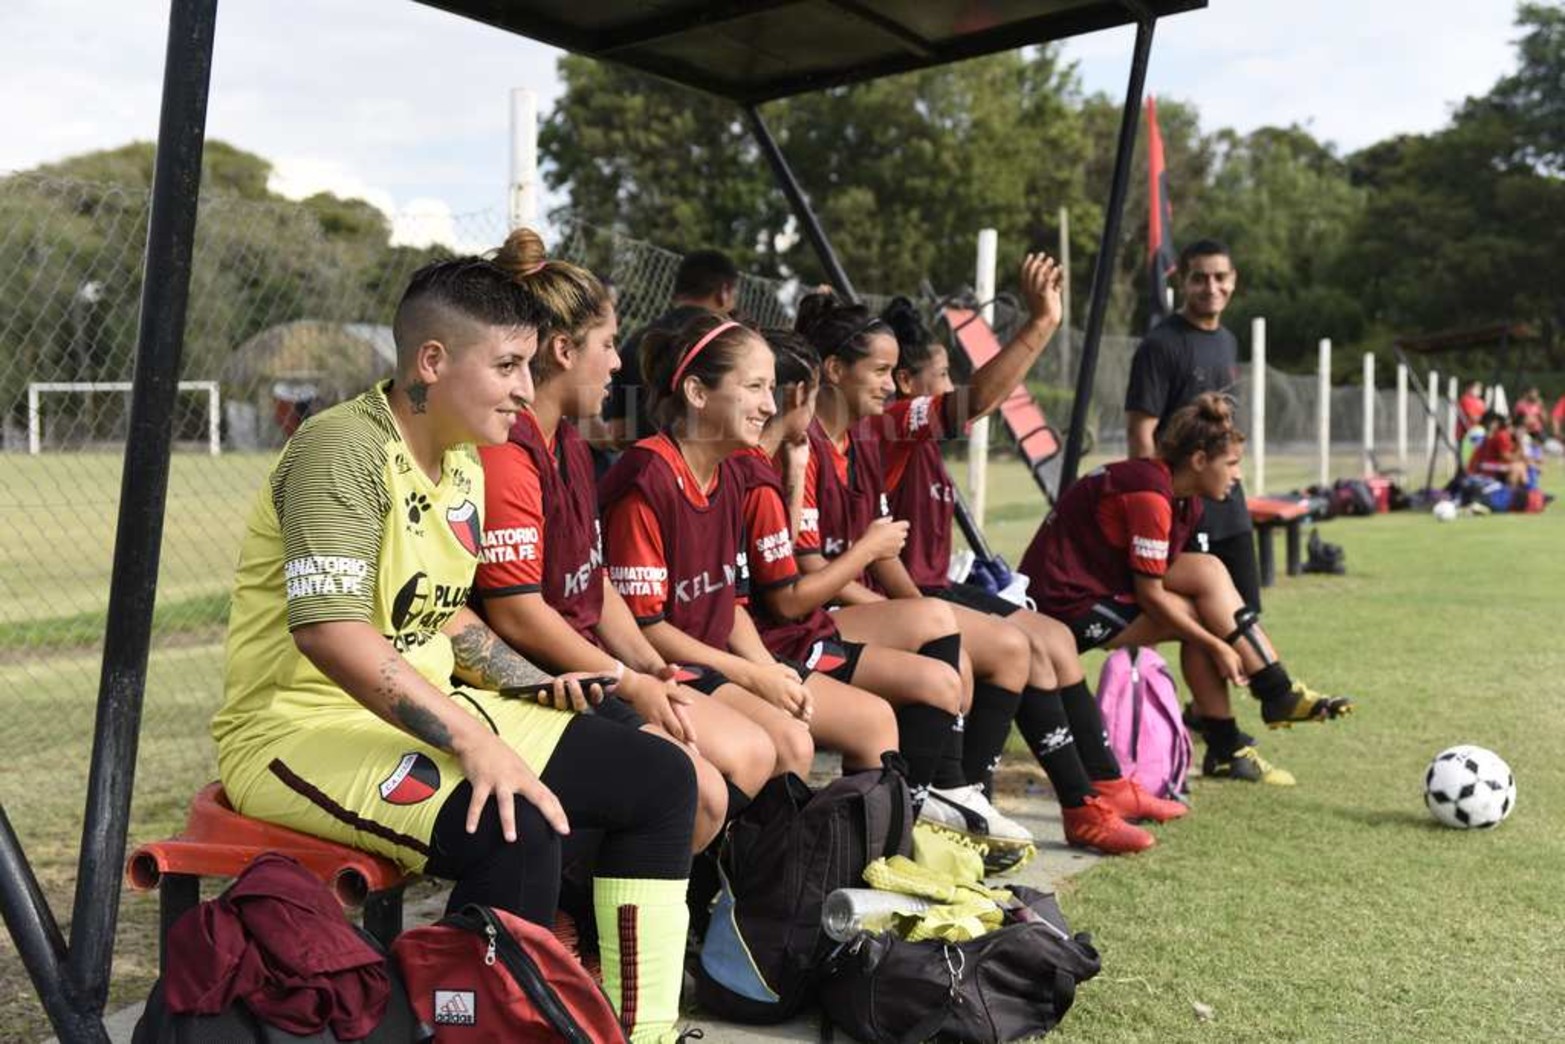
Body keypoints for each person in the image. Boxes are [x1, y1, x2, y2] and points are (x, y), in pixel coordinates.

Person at [211, 257, 697, 1043]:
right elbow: (330, 631)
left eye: (526, 365)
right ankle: (492, 1027)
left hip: (423, 708)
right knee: (514, 823)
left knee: (659, 777)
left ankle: (641, 1032)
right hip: (296, 731)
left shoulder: (464, 456)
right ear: (431, 362)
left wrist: (534, 683)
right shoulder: (342, 450)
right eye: (506, 366)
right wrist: (476, 740)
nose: (520, 387)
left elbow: (442, 616)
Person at [751, 325, 1166, 857]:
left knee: (1042, 640)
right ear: (830, 375)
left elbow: (971, 409)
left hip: (847, 601)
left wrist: (1042, 323)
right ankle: (964, 809)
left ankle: (1002, 800)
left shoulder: (872, 433)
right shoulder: (813, 449)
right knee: (997, 651)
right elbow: (796, 581)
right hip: (818, 611)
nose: (895, 389)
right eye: (883, 372)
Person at [475, 229, 779, 855]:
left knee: (753, 752)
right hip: (538, 680)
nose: (618, 363)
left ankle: (669, 916)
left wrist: (643, 662)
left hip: (588, 667)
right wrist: (625, 678)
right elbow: (515, 613)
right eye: (608, 345)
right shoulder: (510, 452)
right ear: (561, 350)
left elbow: (592, 579)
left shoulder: (570, 445)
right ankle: (582, 921)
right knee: (694, 788)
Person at [875, 259, 1185, 848]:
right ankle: (1009, 808)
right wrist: (1042, 322)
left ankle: (1099, 788)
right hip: (901, 598)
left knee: (1055, 638)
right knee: (1020, 647)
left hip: (932, 586)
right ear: (907, 386)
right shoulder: (891, 426)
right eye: (941, 375)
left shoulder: (914, 441)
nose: (948, 386)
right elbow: (977, 400)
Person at [599, 313, 916, 793]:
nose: (770, 405)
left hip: (706, 662)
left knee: (802, 737)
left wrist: (766, 668)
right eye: (754, 387)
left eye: (772, 389)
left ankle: (841, 854)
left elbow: (728, 602)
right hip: (655, 667)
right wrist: (751, 673)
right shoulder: (648, 478)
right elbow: (646, 628)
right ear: (698, 393)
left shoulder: (728, 473)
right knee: (777, 746)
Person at [1020, 394, 1354, 786]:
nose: (1238, 476)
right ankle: (1245, 725)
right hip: (1059, 610)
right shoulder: (1150, 497)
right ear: (1198, 461)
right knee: (1201, 621)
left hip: (1098, 589)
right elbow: (1150, 596)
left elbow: (1183, 580)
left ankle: (1272, 695)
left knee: (1209, 573)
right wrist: (1217, 646)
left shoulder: (1184, 500)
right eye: (1231, 464)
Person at [601, 248, 741, 448]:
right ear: (724, 292)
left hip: (647, 466)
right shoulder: (732, 344)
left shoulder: (640, 340)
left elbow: (618, 430)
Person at [1467, 411, 1530, 488]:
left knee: (1520, 466)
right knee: (1516, 468)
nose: (1524, 433)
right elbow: (1507, 457)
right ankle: (1514, 494)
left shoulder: (1508, 437)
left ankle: (1524, 493)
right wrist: (1520, 444)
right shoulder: (1502, 435)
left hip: (1489, 463)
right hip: (1483, 465)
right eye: (1522, 430)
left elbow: (1518, 457)